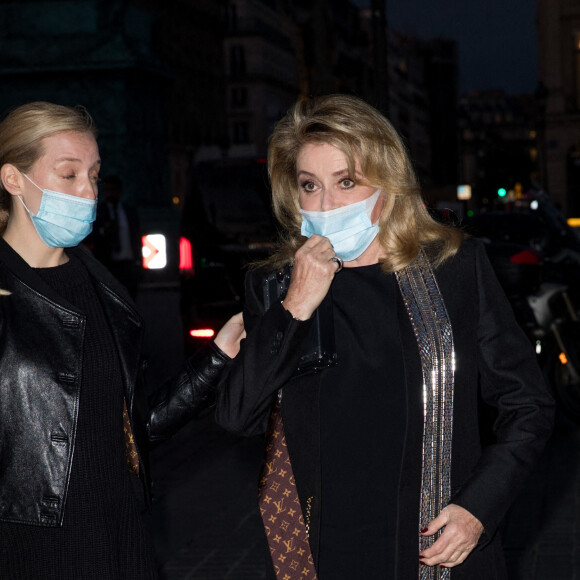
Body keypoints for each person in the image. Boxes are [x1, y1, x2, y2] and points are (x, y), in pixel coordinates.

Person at [215, 94, 555, 579]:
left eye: (346, 182)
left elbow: (528, 404)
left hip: (438, 545)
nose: (325, 204)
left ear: (387, 186)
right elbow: (236, 417)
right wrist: (296, 307)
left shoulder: (453, 270)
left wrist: (479, 508)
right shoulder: (275, 287)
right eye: (309, 186)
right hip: (327, 549)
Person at [0, 101, 244, 579]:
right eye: (68, 175)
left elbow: (132, 429)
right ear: (12, 179)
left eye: (93, 174)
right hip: (30, 549)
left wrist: (218, 357)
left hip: (121, 538)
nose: (88, 191)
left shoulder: (103, 286)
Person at [91, 174, 142, 299]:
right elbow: (92, 235)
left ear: (119, 191)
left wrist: (138, 261)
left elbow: (135, 235)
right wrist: (104, 230)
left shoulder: (128, 212)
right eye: (107, 191)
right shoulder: (98, 212)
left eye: (113, 190)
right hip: (109, 264)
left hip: (128, 263)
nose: (110, 194)